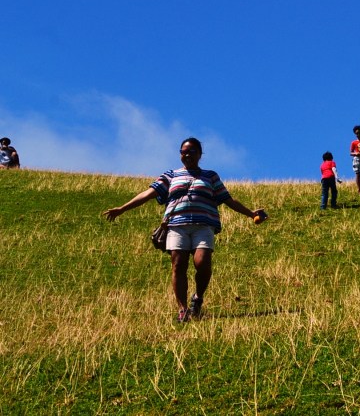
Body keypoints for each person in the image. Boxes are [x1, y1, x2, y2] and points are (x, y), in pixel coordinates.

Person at [103, 137, 266, 323]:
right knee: (178, 265)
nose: (187, 155)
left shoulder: (210, 176)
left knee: (202, 263)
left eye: (191, 151)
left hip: (203, 226)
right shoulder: (171, 175)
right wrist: (122, 208)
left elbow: (228, 199)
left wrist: (250, 213)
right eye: (183, 152)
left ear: (200, 154)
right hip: (176, 226)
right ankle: (183, 309)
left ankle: (198, 297)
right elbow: (148, 194)